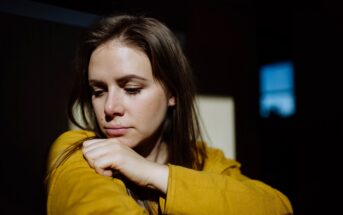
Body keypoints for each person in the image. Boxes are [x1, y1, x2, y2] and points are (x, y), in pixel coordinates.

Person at [45, 14, 293, 215]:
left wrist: (152, 173)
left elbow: (276, 207)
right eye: (98, 91)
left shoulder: (203, 159)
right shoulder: (78, 151)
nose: (109, 108)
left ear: (172, 93)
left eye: (132, 89)